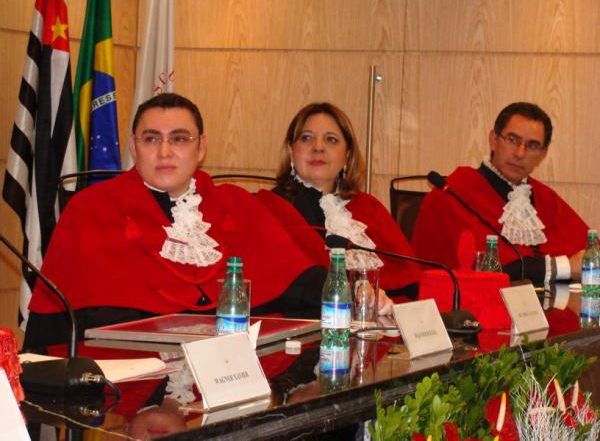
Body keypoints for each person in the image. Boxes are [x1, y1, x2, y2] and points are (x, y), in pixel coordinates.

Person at [24, 93, 325, 349]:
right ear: (134, 147)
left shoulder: (236, 203)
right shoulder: (91, 209)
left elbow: (298, 285)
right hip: (131, 377)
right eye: (151, 139)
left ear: (201, 147)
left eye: (179, 139)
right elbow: (55, 331)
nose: (164, 152)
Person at [256, 102, 422, 310]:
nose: (318, 147)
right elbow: (275, 285)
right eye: (306, 138)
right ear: (291, 150)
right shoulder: (267, 208)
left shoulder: (370, 208)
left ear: (347, 155)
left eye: (331, 140)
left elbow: (408, 284)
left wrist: (386, 308)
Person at [411, 102, 588, 289]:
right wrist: (566, 266)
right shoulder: (454, 192)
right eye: (512, 139)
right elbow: (487, 270)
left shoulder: (546, 198)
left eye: (532, 145)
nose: (520, 153)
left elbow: (590, 253)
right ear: (494, 140)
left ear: (543, 154)